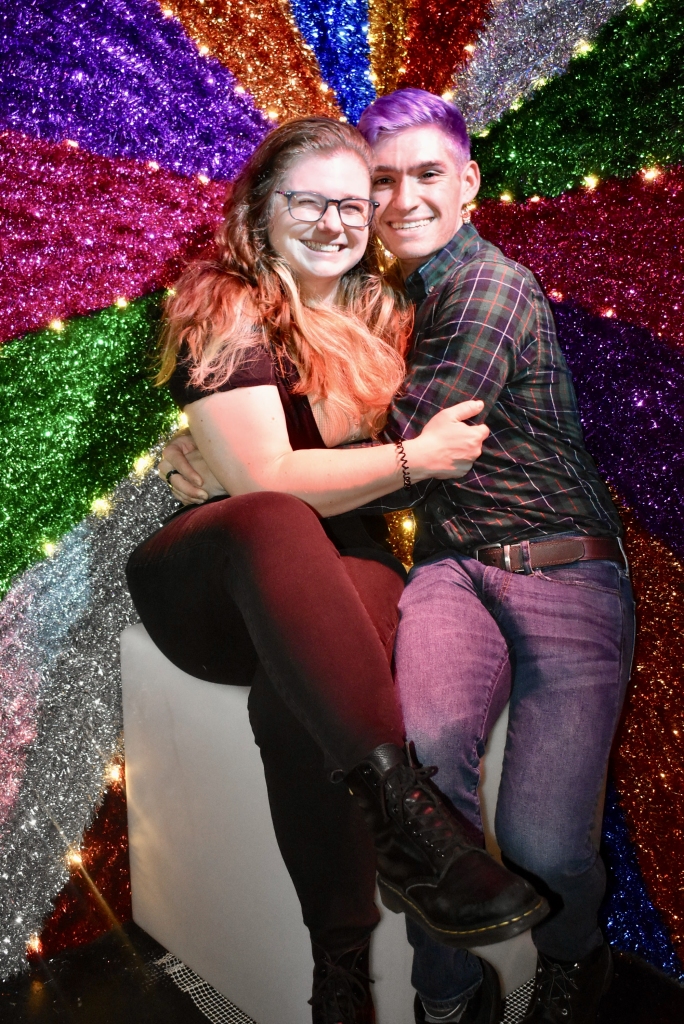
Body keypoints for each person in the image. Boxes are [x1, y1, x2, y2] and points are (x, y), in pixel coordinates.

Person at [164, 91, 636, 1024]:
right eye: (379, 183)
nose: (399, 200)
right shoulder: (376, 301)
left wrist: (245, 468)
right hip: (449, 571)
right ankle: (445, 998)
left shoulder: (484, 288)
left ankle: (574, 956)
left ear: (468, 183)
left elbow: (408, 447)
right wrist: (253, 467)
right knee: (425, 774)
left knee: (544, 849)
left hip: (563, 565)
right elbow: (373, 454)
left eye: (426, 175)